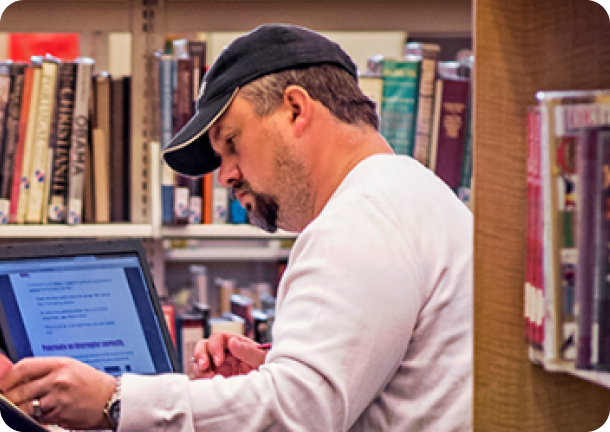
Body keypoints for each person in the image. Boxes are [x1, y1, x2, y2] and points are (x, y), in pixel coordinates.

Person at [0, 24, 473, 431]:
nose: (226, 175)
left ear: (295, 109)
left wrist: (114, 400)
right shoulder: (413, 191)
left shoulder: (358, 221)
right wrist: (273, 373)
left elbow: (297, 414)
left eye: (231, 142)